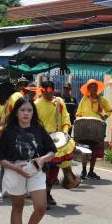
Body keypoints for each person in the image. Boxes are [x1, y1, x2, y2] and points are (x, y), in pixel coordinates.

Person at [0, 96, 56, 224]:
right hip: (15, 171)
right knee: (18, 207)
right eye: (22, 110)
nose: (26, 113)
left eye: (29, 110)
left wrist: (42, 159)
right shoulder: (8, 132)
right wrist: (15, 168)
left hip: (36, 171)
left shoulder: (39, 130)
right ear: (16, 113)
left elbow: (52, 150)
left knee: (41, 207)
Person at [35, 80, 77, 208]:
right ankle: (42, 196)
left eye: (50, 92)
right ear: (41, 91)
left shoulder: (59, 102)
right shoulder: (36, 104)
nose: (48, 95)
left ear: (53, 91)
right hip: (42, 141)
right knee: (42, 171)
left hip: (57, 141)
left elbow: (66, 118)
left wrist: (65, 132)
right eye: (45, 92)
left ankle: (47, 194)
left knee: (54, 169)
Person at [0, 80, 24, 198]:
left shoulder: (15, 98)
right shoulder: (9, 100)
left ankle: (6, 189)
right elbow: (7, 121)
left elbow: (18, 117)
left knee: (5, 161)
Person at [76, 79, 112, 180]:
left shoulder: (102, 100)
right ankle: (84, 170)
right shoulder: (84, 99)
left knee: (95, 151)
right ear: (88, 89)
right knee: (85, 150)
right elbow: (78, 112)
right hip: (85, 128)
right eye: (91, 87)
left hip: (97, 129)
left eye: (95, 86)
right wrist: (79, 118)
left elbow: (109, 110)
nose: (94, 88)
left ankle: (91, 171)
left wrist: (104, 116)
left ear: (97, 88)